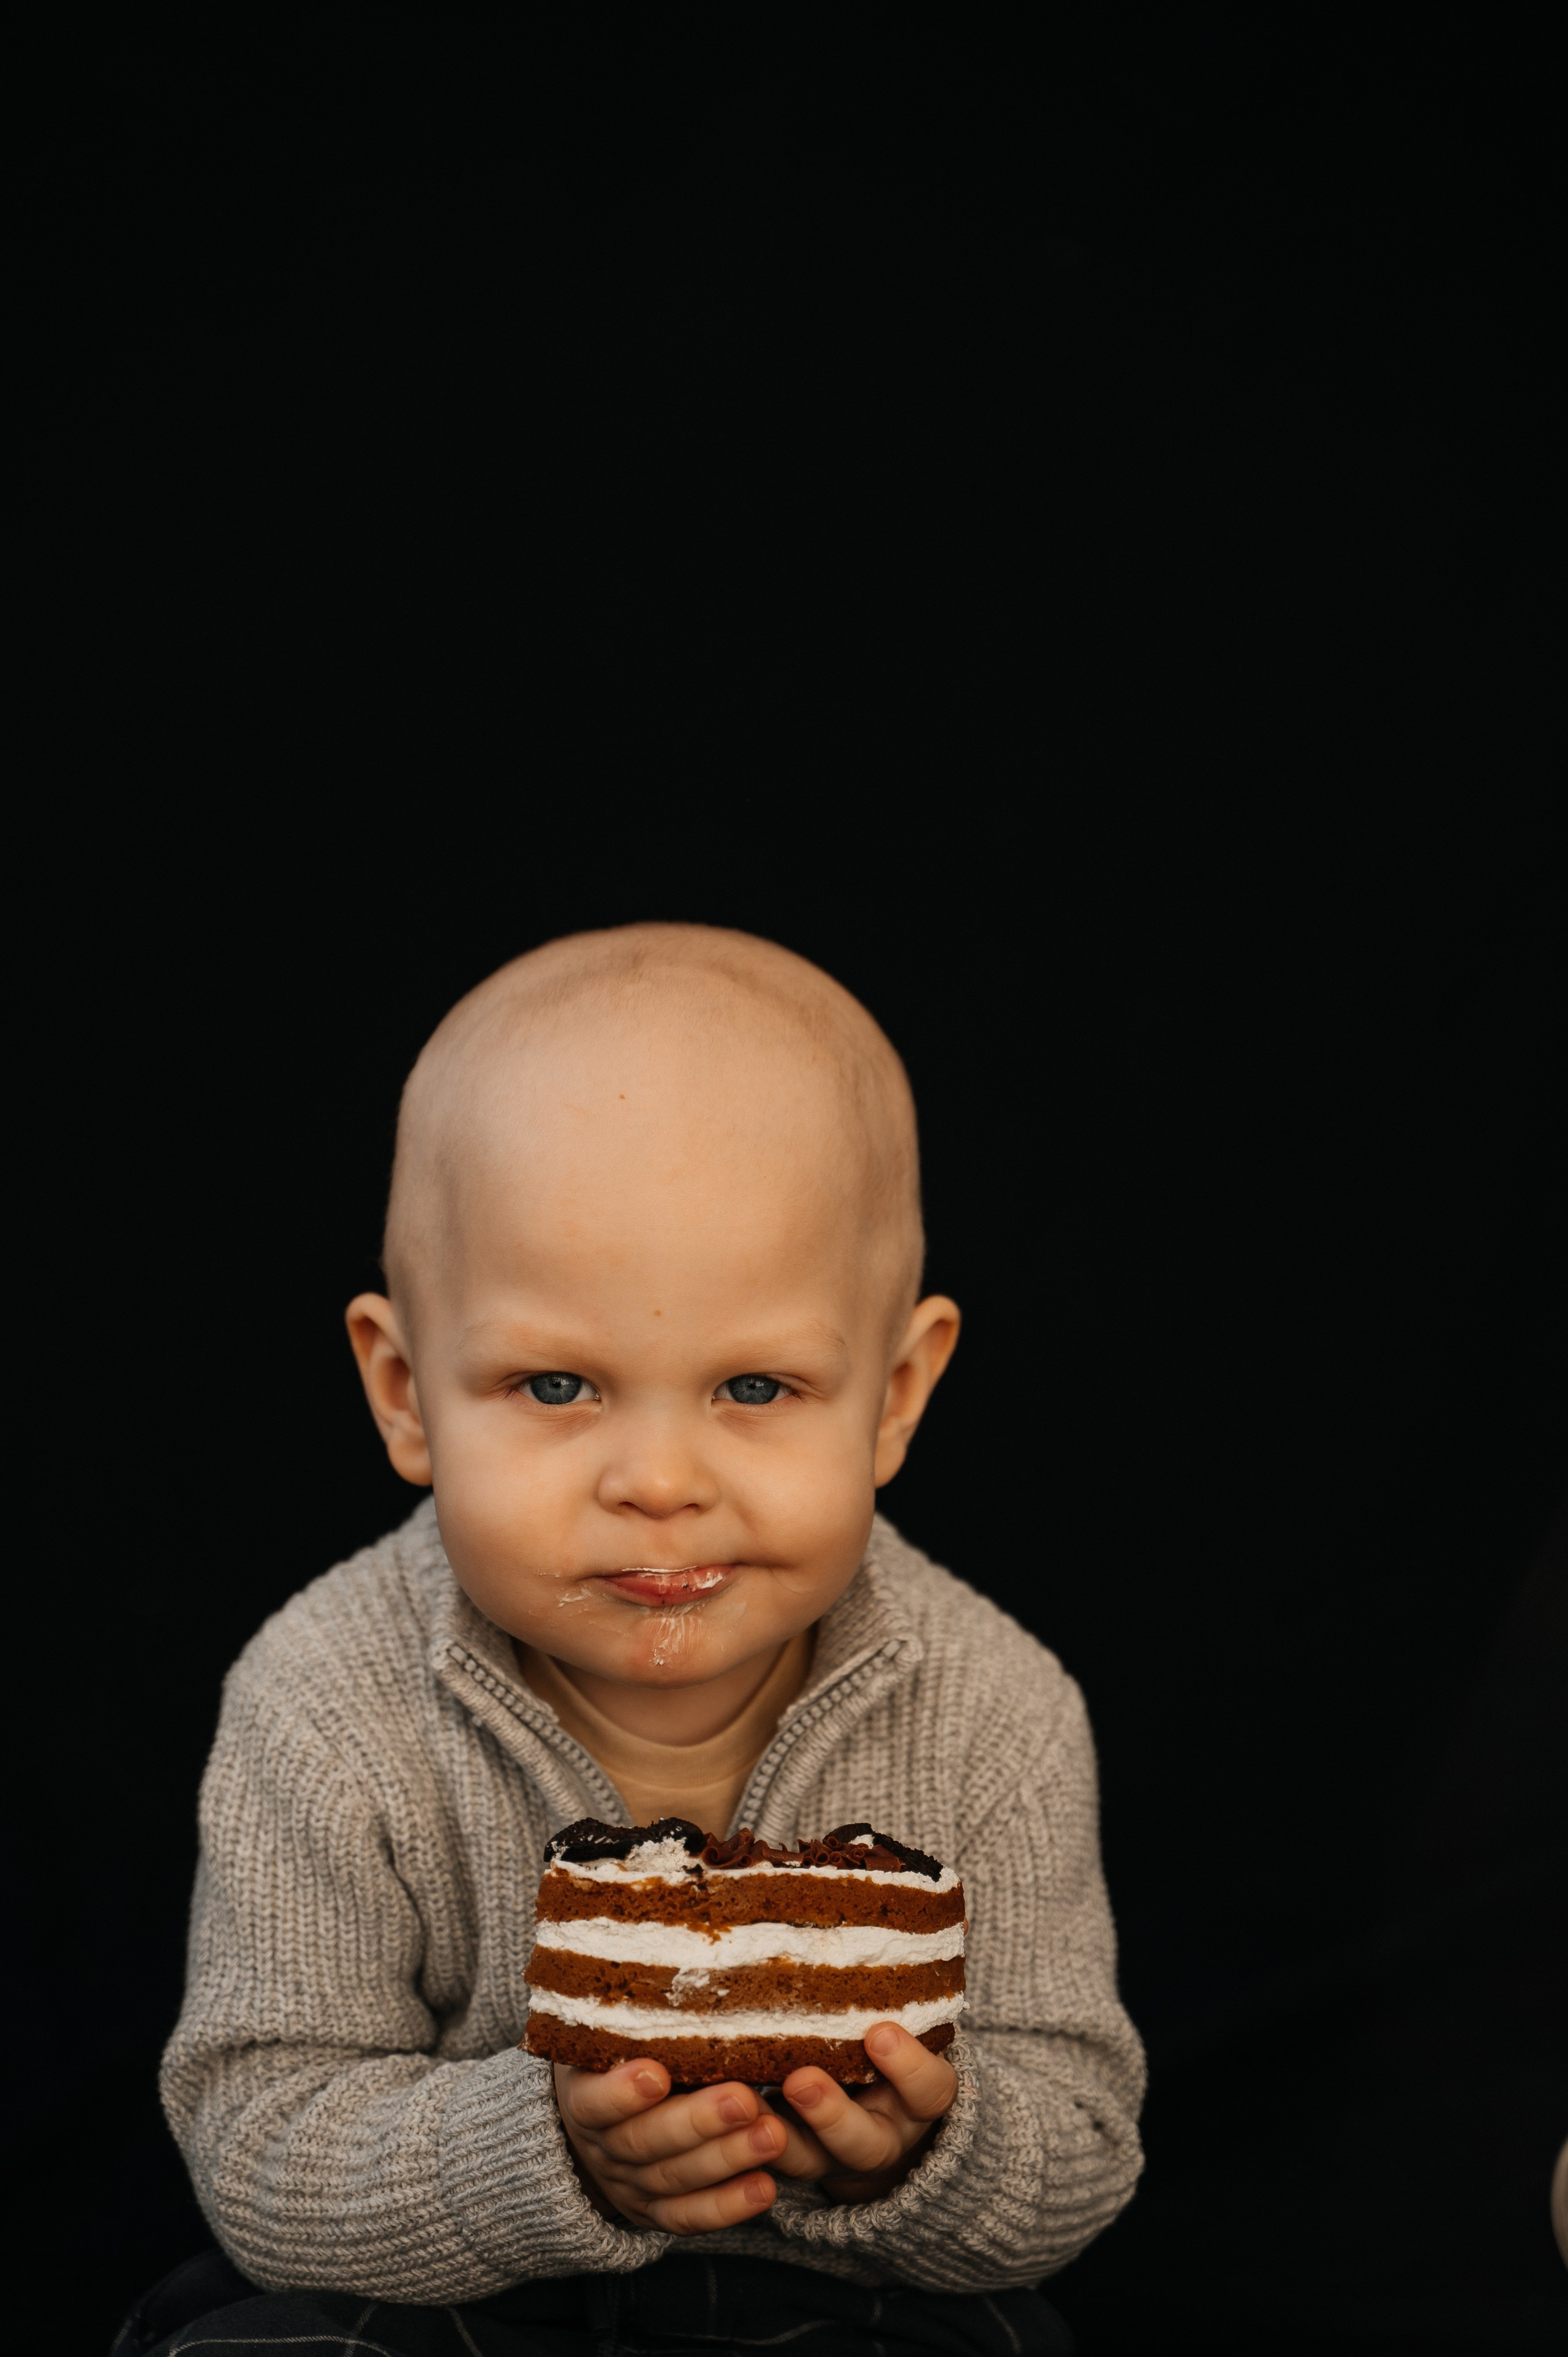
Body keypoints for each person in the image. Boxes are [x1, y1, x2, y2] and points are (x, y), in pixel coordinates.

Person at [119, 924, 1145, 2357]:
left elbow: (1082, 2141)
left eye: (754, 1386)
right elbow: (258, 2140)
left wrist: (923, 2150)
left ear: (895, 1395)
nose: (658, 1482)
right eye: (556, 1384)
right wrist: (547, 2148)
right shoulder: (325, 1700)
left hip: (840, 2297)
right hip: (458, 2298)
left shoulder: (992, 1709)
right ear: (405, 1391)